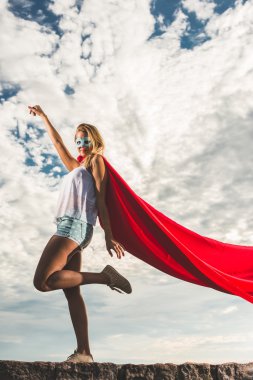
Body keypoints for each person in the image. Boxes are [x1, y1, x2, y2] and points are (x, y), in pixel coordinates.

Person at [28, 104, 132, 363]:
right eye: (78, 140)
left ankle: (104, 277)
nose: (80, 143)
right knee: (72, 291)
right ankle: (84, 352)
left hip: (73, 226)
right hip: (73, 227)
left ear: (94, 140)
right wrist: (44, 117)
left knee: (42, 281)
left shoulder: (96, 161)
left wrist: (108, 234)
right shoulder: (77, 167)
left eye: (85, 139)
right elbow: (59, 144)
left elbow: (101, 198)